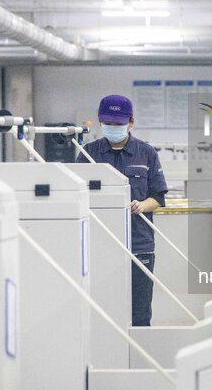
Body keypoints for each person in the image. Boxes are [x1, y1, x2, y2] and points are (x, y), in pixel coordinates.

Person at [76, 94, 168, 326]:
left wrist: (141, 206)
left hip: (139, 244)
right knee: (101, 310)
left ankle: (137, 360)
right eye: (108, 123)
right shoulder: (89, 154)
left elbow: (158, 196)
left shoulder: (147, 153)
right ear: (100, 121)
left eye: (118, 124)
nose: (113, 128)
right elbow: (75, 196)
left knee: (140, 312)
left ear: (131, 122)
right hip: (99, 243)